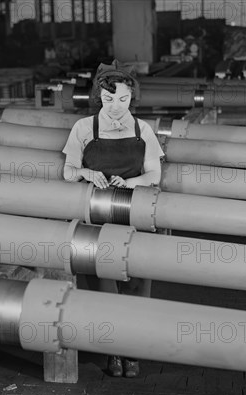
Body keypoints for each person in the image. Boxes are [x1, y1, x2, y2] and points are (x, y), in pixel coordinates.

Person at [62, 60, 165, 378]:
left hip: (138, 220)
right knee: (105, 291)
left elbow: (154, 174)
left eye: (122, 100)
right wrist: (86, 172)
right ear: (99, 97)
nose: (116, 107)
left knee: (137, 290)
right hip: (99, 225)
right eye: (109, 100)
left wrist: (129, 183)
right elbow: (68, 173)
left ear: (131, 98)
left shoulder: (142, 130)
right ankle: (113, 352)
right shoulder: (84, 129)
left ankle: (132, 353)